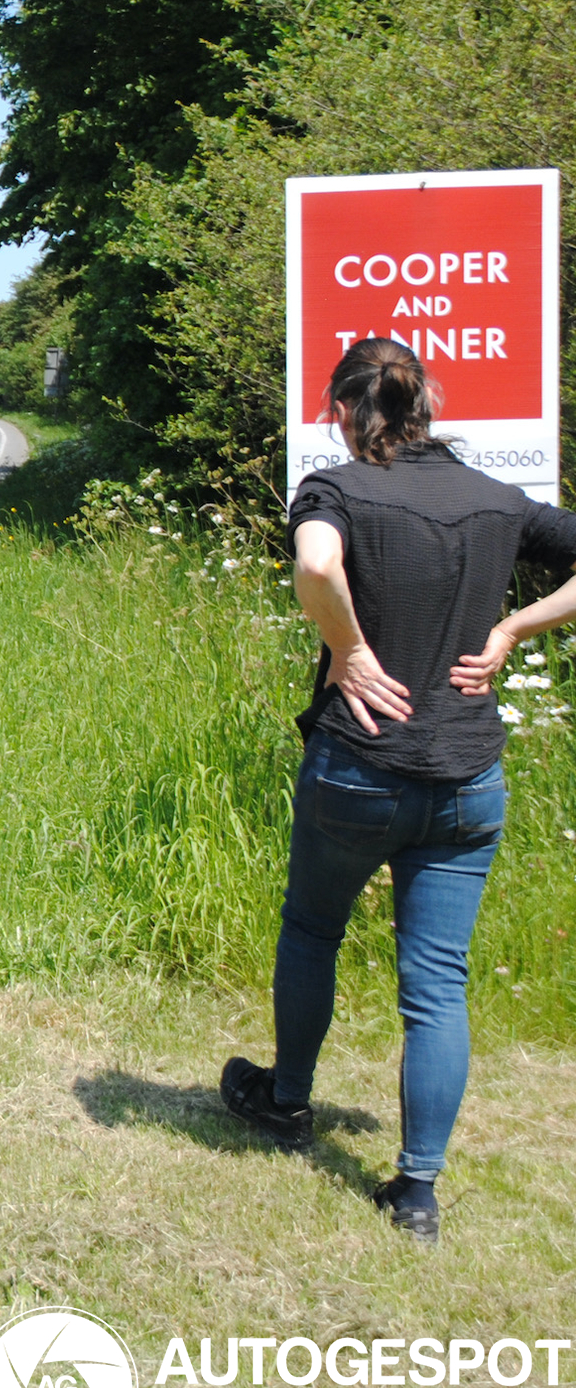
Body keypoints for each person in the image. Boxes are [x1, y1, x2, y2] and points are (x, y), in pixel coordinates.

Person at [221, 338, 576, 1242]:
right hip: (469, 779)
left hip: (360, 767)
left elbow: (314, 566)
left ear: (345, 408)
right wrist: (513, 631)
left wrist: (349, 649)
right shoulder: (494, 498)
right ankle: (417, 1189)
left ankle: (288, 1103)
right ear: (425, 405)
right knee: (437, 981)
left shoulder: (335, 489)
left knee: (312, 929)